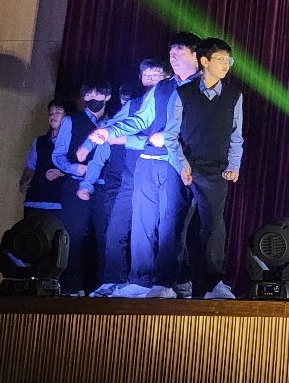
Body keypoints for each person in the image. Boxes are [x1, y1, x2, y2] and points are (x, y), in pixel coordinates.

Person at [85, 32, 202, 299]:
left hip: (177, 163)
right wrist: (110, 132)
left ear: (196, 56)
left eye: (179, 53)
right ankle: (140, 280)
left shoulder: (204, 89)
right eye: (171, 53)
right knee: (141, 223)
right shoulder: (162, 88)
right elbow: (140, 119)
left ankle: (166, 282)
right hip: (148, 162)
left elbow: (205, 128)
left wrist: (169, 136)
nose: (173, 58)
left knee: (170, 225)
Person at [163, 38, 244, 300]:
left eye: (229, 61)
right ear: (205, 61)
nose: (226, 65)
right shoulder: (183, 93)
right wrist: (182, 165)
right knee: (175, 224)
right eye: (221, 59)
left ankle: (213, 284)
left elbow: (236, 136)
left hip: (215, 170)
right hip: (184, 167)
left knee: (213, 227)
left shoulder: (233, 96)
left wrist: (233, 164)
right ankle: (169, 281)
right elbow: (170, 135)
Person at [53, 81, 113, 294]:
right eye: (88, 96)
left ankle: (104, 286)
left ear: (107, 96)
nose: (91, 100)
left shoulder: (113, 123)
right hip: (75, 185)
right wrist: (72, 167)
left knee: (106, 237)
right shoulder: (71, 121)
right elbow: (58, 155)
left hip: (104, 188)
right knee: (74, 235)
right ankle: (72, 286)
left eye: (96, 95)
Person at [20, 101, 71, 220]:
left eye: (58, 112)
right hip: (34, 201)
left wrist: (61, 173)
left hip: (58, 203)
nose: (53, 115)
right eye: (51, 112)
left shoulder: (74, 143)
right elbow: (31, 166)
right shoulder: (39, 141)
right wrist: (23, 182)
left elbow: (80, 169)